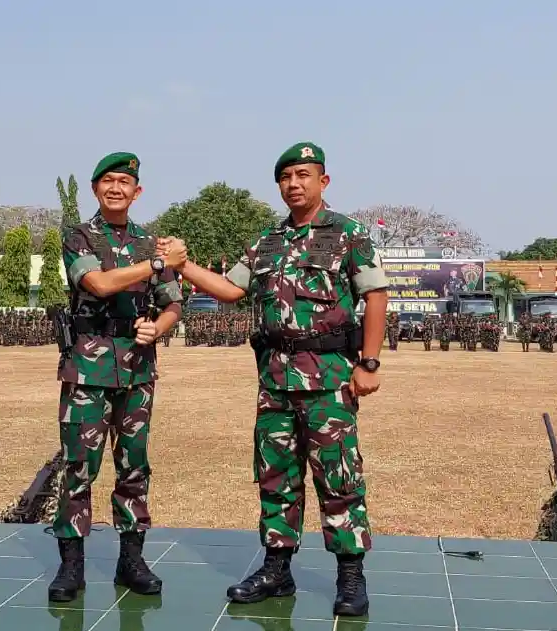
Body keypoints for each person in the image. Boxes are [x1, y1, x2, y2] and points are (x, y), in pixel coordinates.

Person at [164, 142, 387, 617]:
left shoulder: (348, 234)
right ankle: (276, 569)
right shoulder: (265, 242)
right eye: (286, 177)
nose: (294, 184)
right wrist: (183, 267)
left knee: (338, 476)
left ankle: (350, 575)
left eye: (303, 175)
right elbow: (231, 289)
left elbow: (375, 295)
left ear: (323, 181)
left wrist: (368, 364)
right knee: (276, 476)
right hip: (275, 381)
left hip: (330, 380)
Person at [47, 152, 187, 603]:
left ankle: (132, 560)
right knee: (78, 467)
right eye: (107, 181)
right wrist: (158, 265)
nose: (115, 188)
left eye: (124, 182)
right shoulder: (80, 237)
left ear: (137, 191)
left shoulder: (151, 242)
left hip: (137, 370)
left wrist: (159, 327)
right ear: (95, 190)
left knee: (134, 467)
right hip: (88, 369)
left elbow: (172, 304)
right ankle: (72, 564)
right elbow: (100, 285)